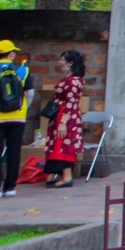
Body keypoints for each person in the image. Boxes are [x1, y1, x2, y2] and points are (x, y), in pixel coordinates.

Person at [0, 40, 29, 198]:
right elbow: (30, 93)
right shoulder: (22, 71)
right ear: (11, 54)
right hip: (17, 117)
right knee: (14, 151)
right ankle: (10, 187)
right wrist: (23, 109)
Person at [43, 50, 85, 188]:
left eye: (62, 60)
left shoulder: (73, 81)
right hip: (64, 114)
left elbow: (71, 102)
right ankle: (61, 175)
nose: (60, 62)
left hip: (66, 115)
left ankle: (67, 178)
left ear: (70, 63)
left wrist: (62, 122)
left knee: (63, 144)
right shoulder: (71, 78)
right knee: (59, 144)